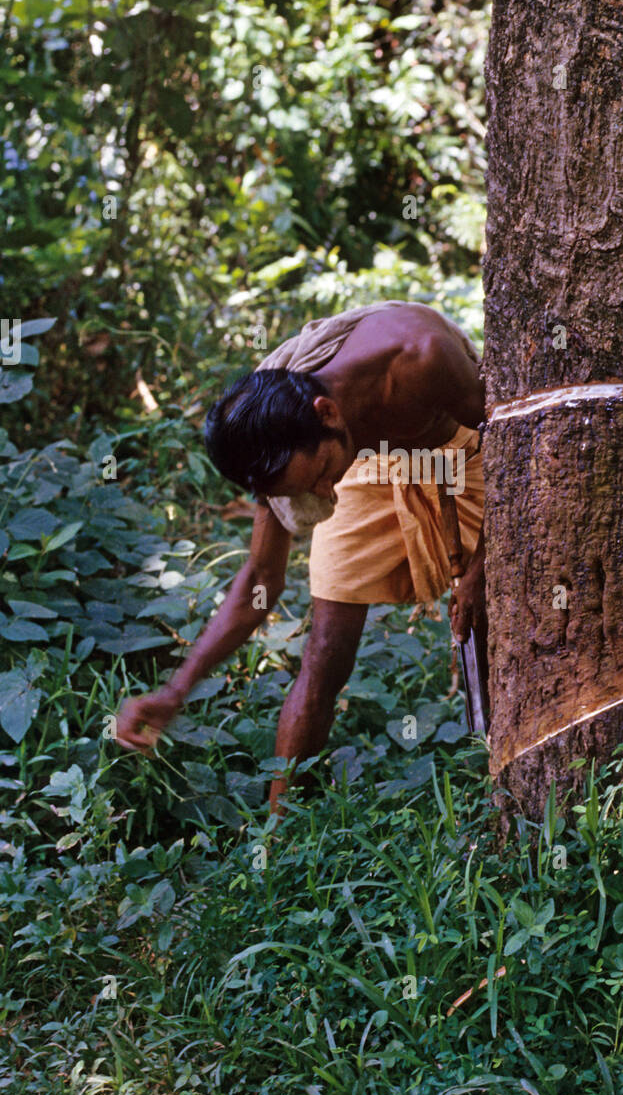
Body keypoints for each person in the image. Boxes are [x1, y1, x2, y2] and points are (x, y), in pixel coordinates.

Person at [115, 300, 488, 811]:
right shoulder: (275, 432)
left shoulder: (420, 357)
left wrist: (481, 571)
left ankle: (502, 772)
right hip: (361, 457)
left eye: (317, 481)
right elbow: (260, 582)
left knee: (500, 608)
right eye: (302, 491)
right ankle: (281, 829)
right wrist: (176, 690)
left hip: (462, 455)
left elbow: (521, 443)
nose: (318, 496)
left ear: (327, 412)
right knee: (325, 653)